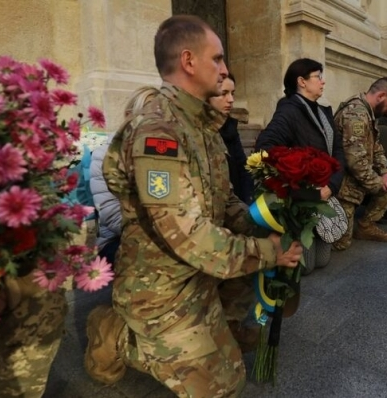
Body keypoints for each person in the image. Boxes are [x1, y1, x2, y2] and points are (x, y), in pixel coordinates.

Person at [85, 15, 302, 398]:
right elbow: (190, 238)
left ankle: (215, 332)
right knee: (224, 386)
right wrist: (268, 252)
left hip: (199, 272)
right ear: (188, 61)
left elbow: (225, 202)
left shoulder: (202, 126)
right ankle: (115, 333)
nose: (223, 69)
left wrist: (267, 225)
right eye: (216, 59)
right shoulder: (160, 131)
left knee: (238, 341)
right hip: (161, 287)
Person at [255, 58, 346, 273]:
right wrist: (297, 173)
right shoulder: (288, 111)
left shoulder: (324, 112)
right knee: (305, 266)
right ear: (302, 81)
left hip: (326, 191)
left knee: (322, 261)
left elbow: (339, 152)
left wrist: (332, 185)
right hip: (304, 197)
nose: (323, 82)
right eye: (318, 77)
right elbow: (264, 148)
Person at [90, 86, 158, 266]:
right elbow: (111, 215)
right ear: (129, 116)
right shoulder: (104, 154)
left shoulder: (163, 153)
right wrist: (162, 230)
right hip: (118, 238)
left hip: (164, 232)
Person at [332, 77, 387, 250]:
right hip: (343, 184)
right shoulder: (355, 114)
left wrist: (386, 172)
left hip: (358, 178)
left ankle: (365, 226)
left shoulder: (368, 112)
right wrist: (379, 182)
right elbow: (355, 162)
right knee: (341, 244)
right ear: (381, 96)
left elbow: (376, 148)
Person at [209, 73, 254, 204]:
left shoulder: (229, 126)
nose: (231, 99)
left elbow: (243, 167)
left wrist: (248, 202)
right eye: (224, 93)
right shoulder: (200, 128)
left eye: (232, 93)